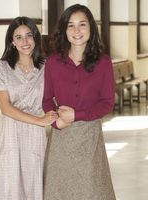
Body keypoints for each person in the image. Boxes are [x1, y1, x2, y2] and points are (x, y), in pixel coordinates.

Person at [42, 4, 116, 200]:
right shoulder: (52, 62)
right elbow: (47, 100)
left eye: (82, 24)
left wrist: (78, 115)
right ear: (64, 30)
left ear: (91, 28)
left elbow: (107, 102)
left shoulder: (104, 63)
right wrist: (55, 122)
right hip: (61, 136)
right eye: (70, 25)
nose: (76, 31)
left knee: (92, 190)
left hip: (90, 135)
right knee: (61, 191)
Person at [0, 16, 57, 200]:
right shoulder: (1, 68)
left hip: (35, 134)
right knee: (10, 184)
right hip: (10, 131)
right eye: (18, 37)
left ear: (35, 37)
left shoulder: (47, 67)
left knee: (34, 181)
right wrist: (40, 120)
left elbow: (57, 95)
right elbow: (6, 108)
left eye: (28, 35)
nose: (24, 42)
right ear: (12, 41)